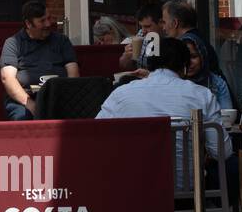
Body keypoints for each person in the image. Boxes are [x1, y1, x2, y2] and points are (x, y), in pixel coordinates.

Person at [96, 35, 224, 189]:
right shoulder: (202, 95)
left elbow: (96, 138)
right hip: (187, 188)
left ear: (149, 65)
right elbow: (222, 151)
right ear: (184, 66)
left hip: (131, 188)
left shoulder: (121, 94)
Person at [0, 1, 80, 120]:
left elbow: (73, 72)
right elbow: (7, 78)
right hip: (26, 99)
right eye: (42, 21)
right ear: (28, 24)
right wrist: (31, 104)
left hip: (59, 96)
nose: (48, 24)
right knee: (22, 117)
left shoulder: (62, 41)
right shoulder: (13, 43)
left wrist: (67, 99)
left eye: (49, 18)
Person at [162, 0, 223, 77]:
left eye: (164, 22)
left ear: (175, 23)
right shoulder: (198, 39)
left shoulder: (185, 43)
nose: (163, 28)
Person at [184, 35, 234, 112]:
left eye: (193, 57)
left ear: (202, 57)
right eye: (184, 58)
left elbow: (227, 116)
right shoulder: (173, 83)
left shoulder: (217, 83)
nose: (189, 63)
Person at [119, 4, 162, 73]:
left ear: (160, 23)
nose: (143, 30)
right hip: (139, 79)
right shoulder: (141, 34)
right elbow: (125, 66)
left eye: (147, 26)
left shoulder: (167, 41)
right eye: (141, 27)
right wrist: (126, 57)